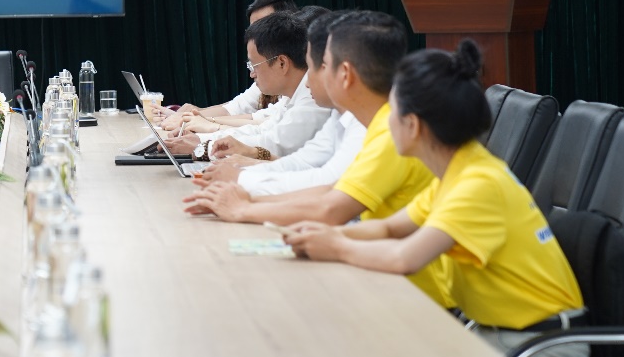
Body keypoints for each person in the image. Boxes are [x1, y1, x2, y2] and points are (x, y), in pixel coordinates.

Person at [286, 41, 590, 357]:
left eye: (391, 112)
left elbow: (404, 258)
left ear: (412, 125)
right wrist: (319, 236)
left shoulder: (478, 184)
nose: (385, 122)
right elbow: (389, 229)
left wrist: (335, 246)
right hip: (497, 342)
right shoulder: (458, 170)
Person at [183, 13, 438, 259]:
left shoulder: (390, 130)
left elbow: (330, 203)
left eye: (320, 66)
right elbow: (321, 179)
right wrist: (245, 194)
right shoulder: (362, 118)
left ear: (345, 74)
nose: (307, 82)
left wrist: (245, 201)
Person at [199, 10, 367, 195]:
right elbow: (303, 163)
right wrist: (251, 163)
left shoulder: (370, 125)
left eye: (314, 68)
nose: (307, 81)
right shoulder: (340, 114)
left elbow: (328, 190)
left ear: (345, 73)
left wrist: (243, 181)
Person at [164, 12, 329, 157]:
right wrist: (201, 139)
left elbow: (275, 145)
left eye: (254, 65)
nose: (252, 74)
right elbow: (261, 130)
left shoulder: (315, 97)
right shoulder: (291, 95)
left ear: (282, 63)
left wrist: (204, 146)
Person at [159, 0, 298, 127]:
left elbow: (266, 127)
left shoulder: (299, 88)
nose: (255, 35)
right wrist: (191, 117)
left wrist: (207, 123)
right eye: (252, 29)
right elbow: (243, 112)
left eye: (263, 27)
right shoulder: (271, 79)